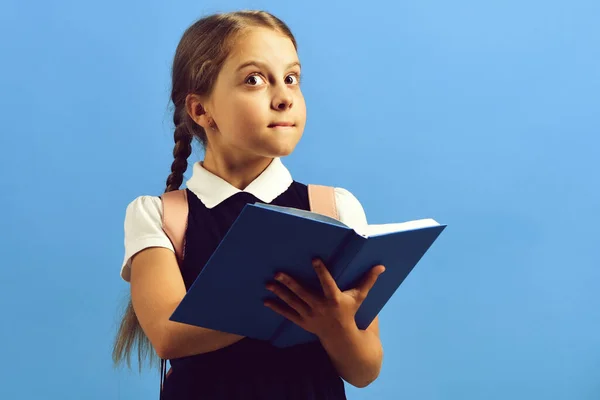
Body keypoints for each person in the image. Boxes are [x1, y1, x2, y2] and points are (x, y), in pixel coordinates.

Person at [112, 10, 386, 400]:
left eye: (291, 78)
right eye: (254, 79)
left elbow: (365, 370)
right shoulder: (159, 216)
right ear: (200, 110)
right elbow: (170, 335)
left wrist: (334, 325)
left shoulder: (335, 209)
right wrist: (294, 303)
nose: (284, 97)